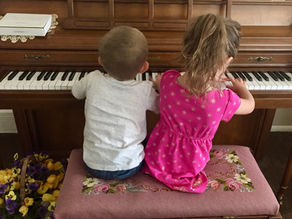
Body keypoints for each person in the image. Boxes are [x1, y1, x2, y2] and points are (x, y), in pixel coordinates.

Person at [142, 14, 255, 193]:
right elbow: (250, 106)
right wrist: (243, 89)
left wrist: (157, 84)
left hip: (158, 156)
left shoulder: (168, 80)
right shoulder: (222, 98)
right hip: (190, 163)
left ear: (187, 47)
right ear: (227, 59)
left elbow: (162, 83)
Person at [72, 26, 159, 180]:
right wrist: (160, 86)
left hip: (92, 164)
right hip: (129, 167)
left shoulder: (93, 79)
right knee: (150, 140)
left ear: (100, 61)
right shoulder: (144, 89)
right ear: (144, 68)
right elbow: (162, 108)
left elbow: (76, 93)